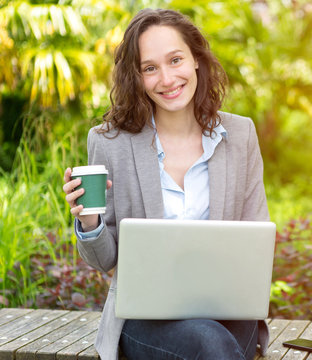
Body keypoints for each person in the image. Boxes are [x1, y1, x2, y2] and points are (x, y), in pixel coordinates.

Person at [62, 8, 269, 360]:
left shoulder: (240, 134)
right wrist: (88, 222)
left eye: (176, 60)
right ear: (136, 77)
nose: (167, 78)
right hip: (147, 317)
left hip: (228, 311)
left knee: (214, 340)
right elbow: (106, 260)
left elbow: (257, 238)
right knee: (211, 345)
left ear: (197, 60)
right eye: (150, 68)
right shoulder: (109, 142)